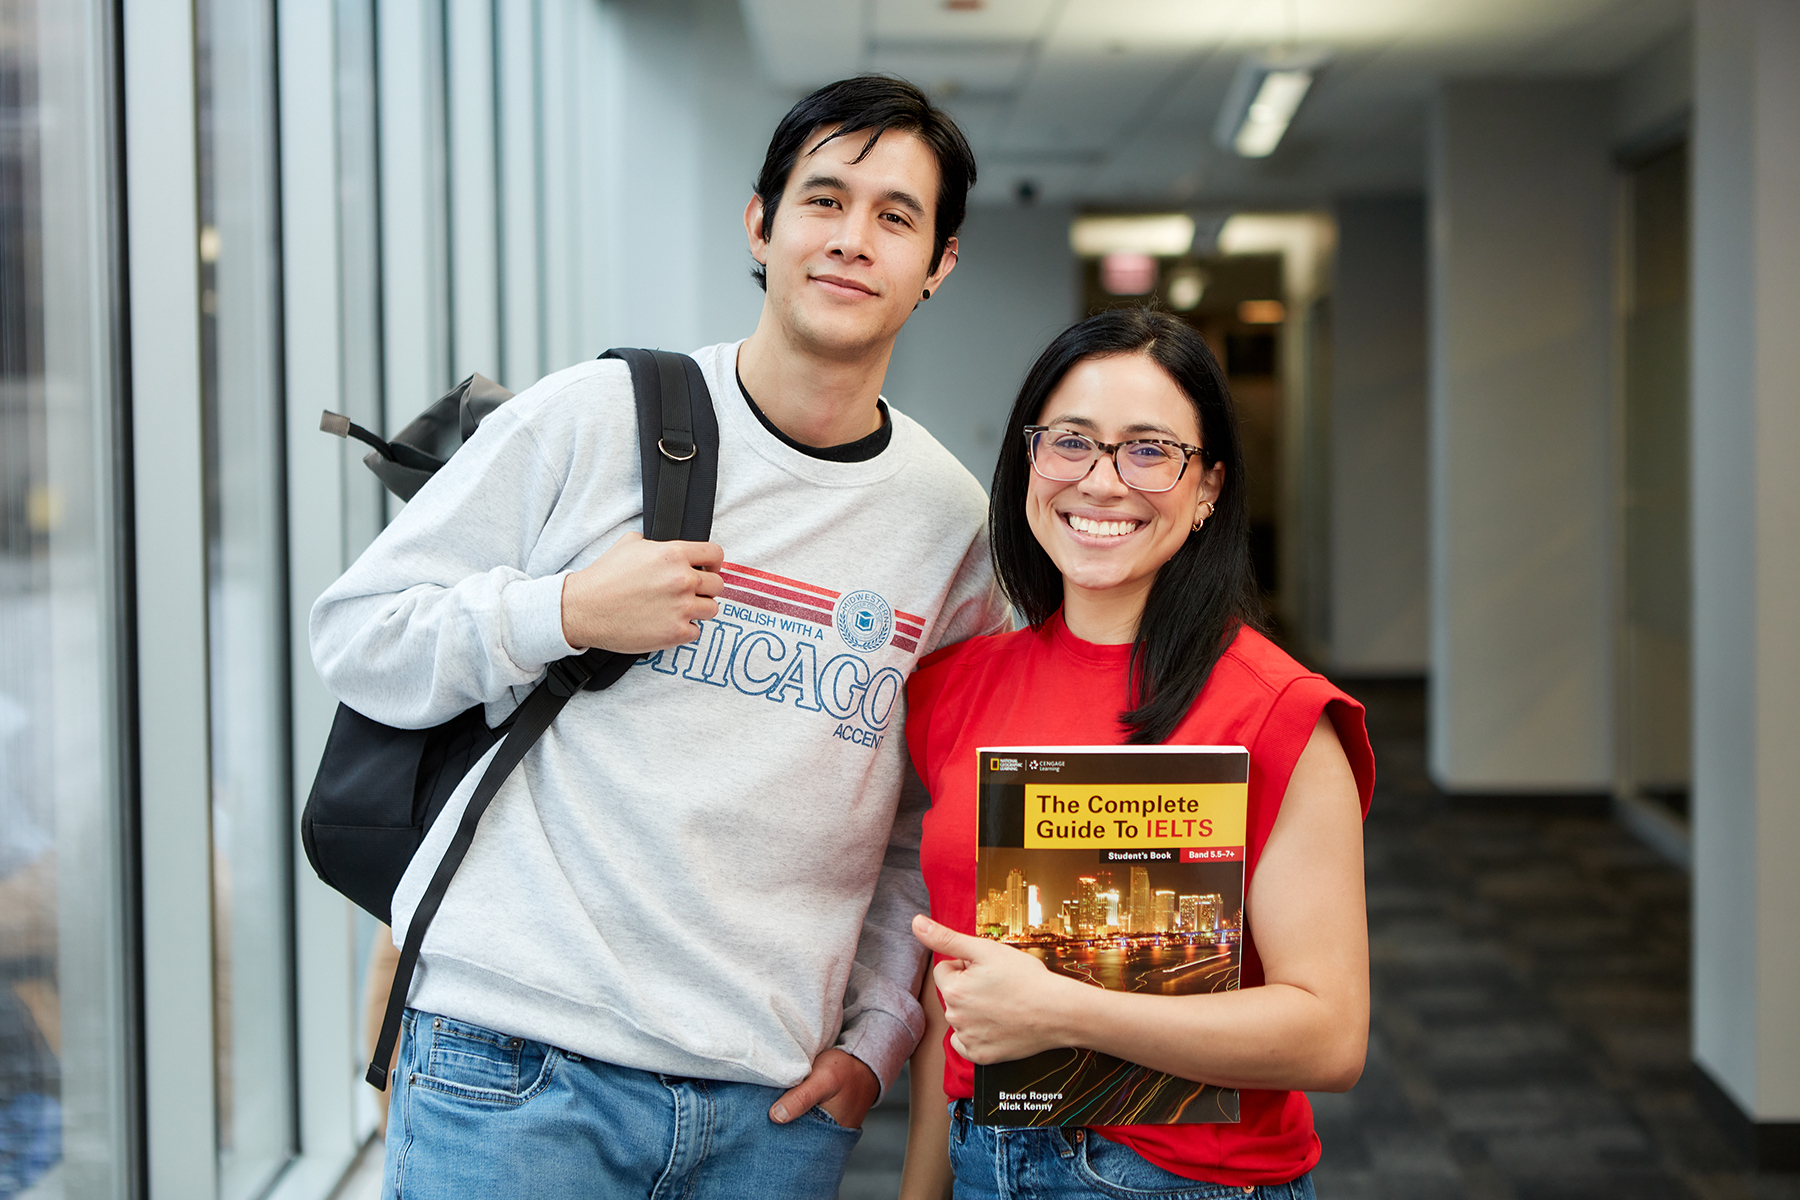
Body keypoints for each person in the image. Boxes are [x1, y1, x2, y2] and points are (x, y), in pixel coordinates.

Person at [310, 76, 1009, 1198]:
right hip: (518, 1072)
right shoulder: (590, 418)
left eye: (895, 216)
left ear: (939, 265)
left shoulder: (947, 521)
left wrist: (876, 1039)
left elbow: (919, 816)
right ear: (761, 223)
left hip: (770, 1108)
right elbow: (356, 635)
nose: (851, 239)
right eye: (823, 199)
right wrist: (566, 613)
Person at [898, 309, 1376, 1199]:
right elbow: (959, 998)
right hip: (983, 1160)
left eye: (1150, 451)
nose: (1102, 482)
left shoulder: (1278, 713)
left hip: (1178, 1181)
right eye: (1070, 442)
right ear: (1028, 462)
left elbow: (1331, 1036)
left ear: (1207, 492)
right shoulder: (953, 688)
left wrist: (1064, 1011)